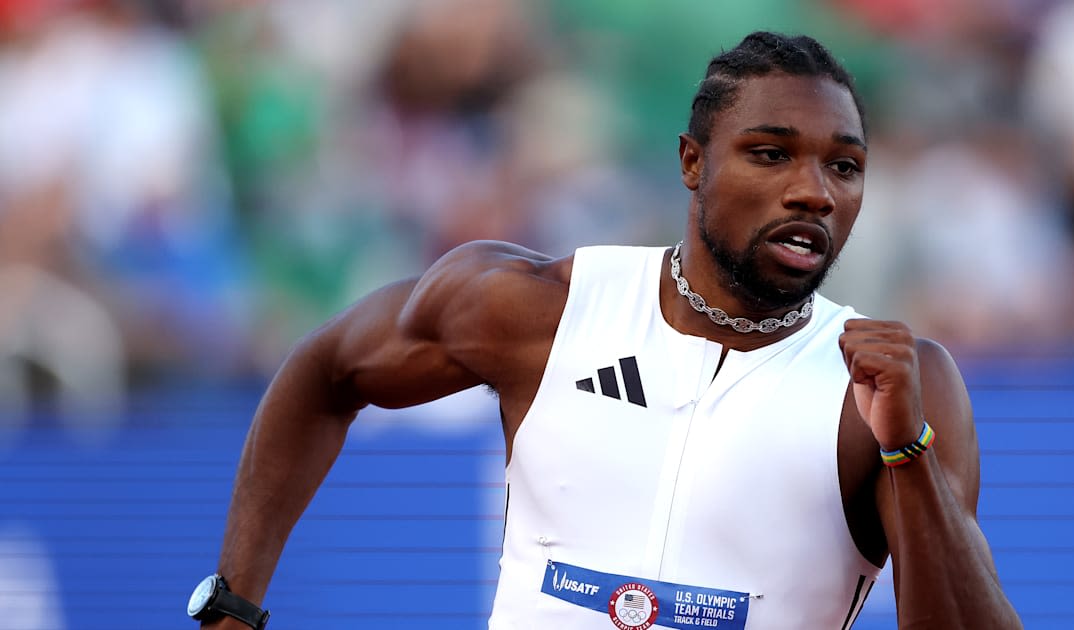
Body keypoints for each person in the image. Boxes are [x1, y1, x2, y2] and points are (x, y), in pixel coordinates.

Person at [191, 31, 1021, 629]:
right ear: (693, 162)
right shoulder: (542, 309)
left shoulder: (889, 385)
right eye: (771, 154)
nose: (814, 191)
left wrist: (906, 451)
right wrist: (232, 602)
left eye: (844, 166)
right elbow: (325, 371)